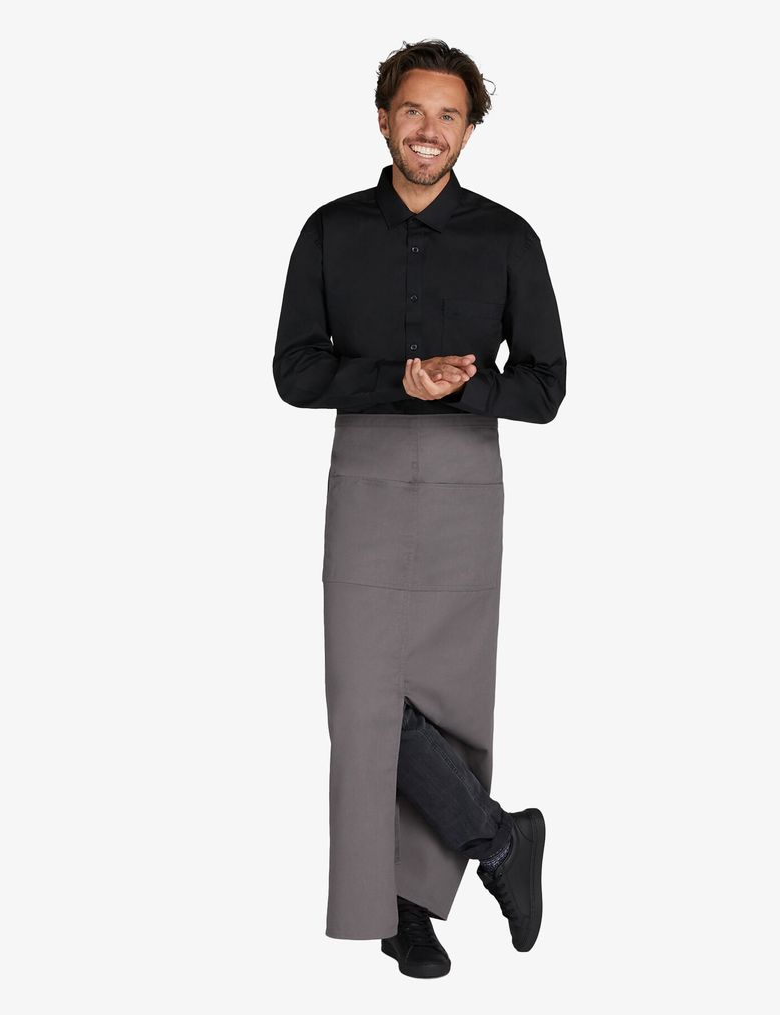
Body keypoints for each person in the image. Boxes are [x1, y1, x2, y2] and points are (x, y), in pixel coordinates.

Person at [273, 38, 566, 978]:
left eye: (448, 115)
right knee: (363, 701)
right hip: (363, 473)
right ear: (382, 118)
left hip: (463, 480)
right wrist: (394, 379)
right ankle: (498, 838)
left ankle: (410, 910)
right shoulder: (329, 230)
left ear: (469, 130)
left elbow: (546, 386)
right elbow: (294, 370)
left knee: (446, 694)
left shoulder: (507, 238)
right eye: (412, 110)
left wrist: (466, 390)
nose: (428, 130)